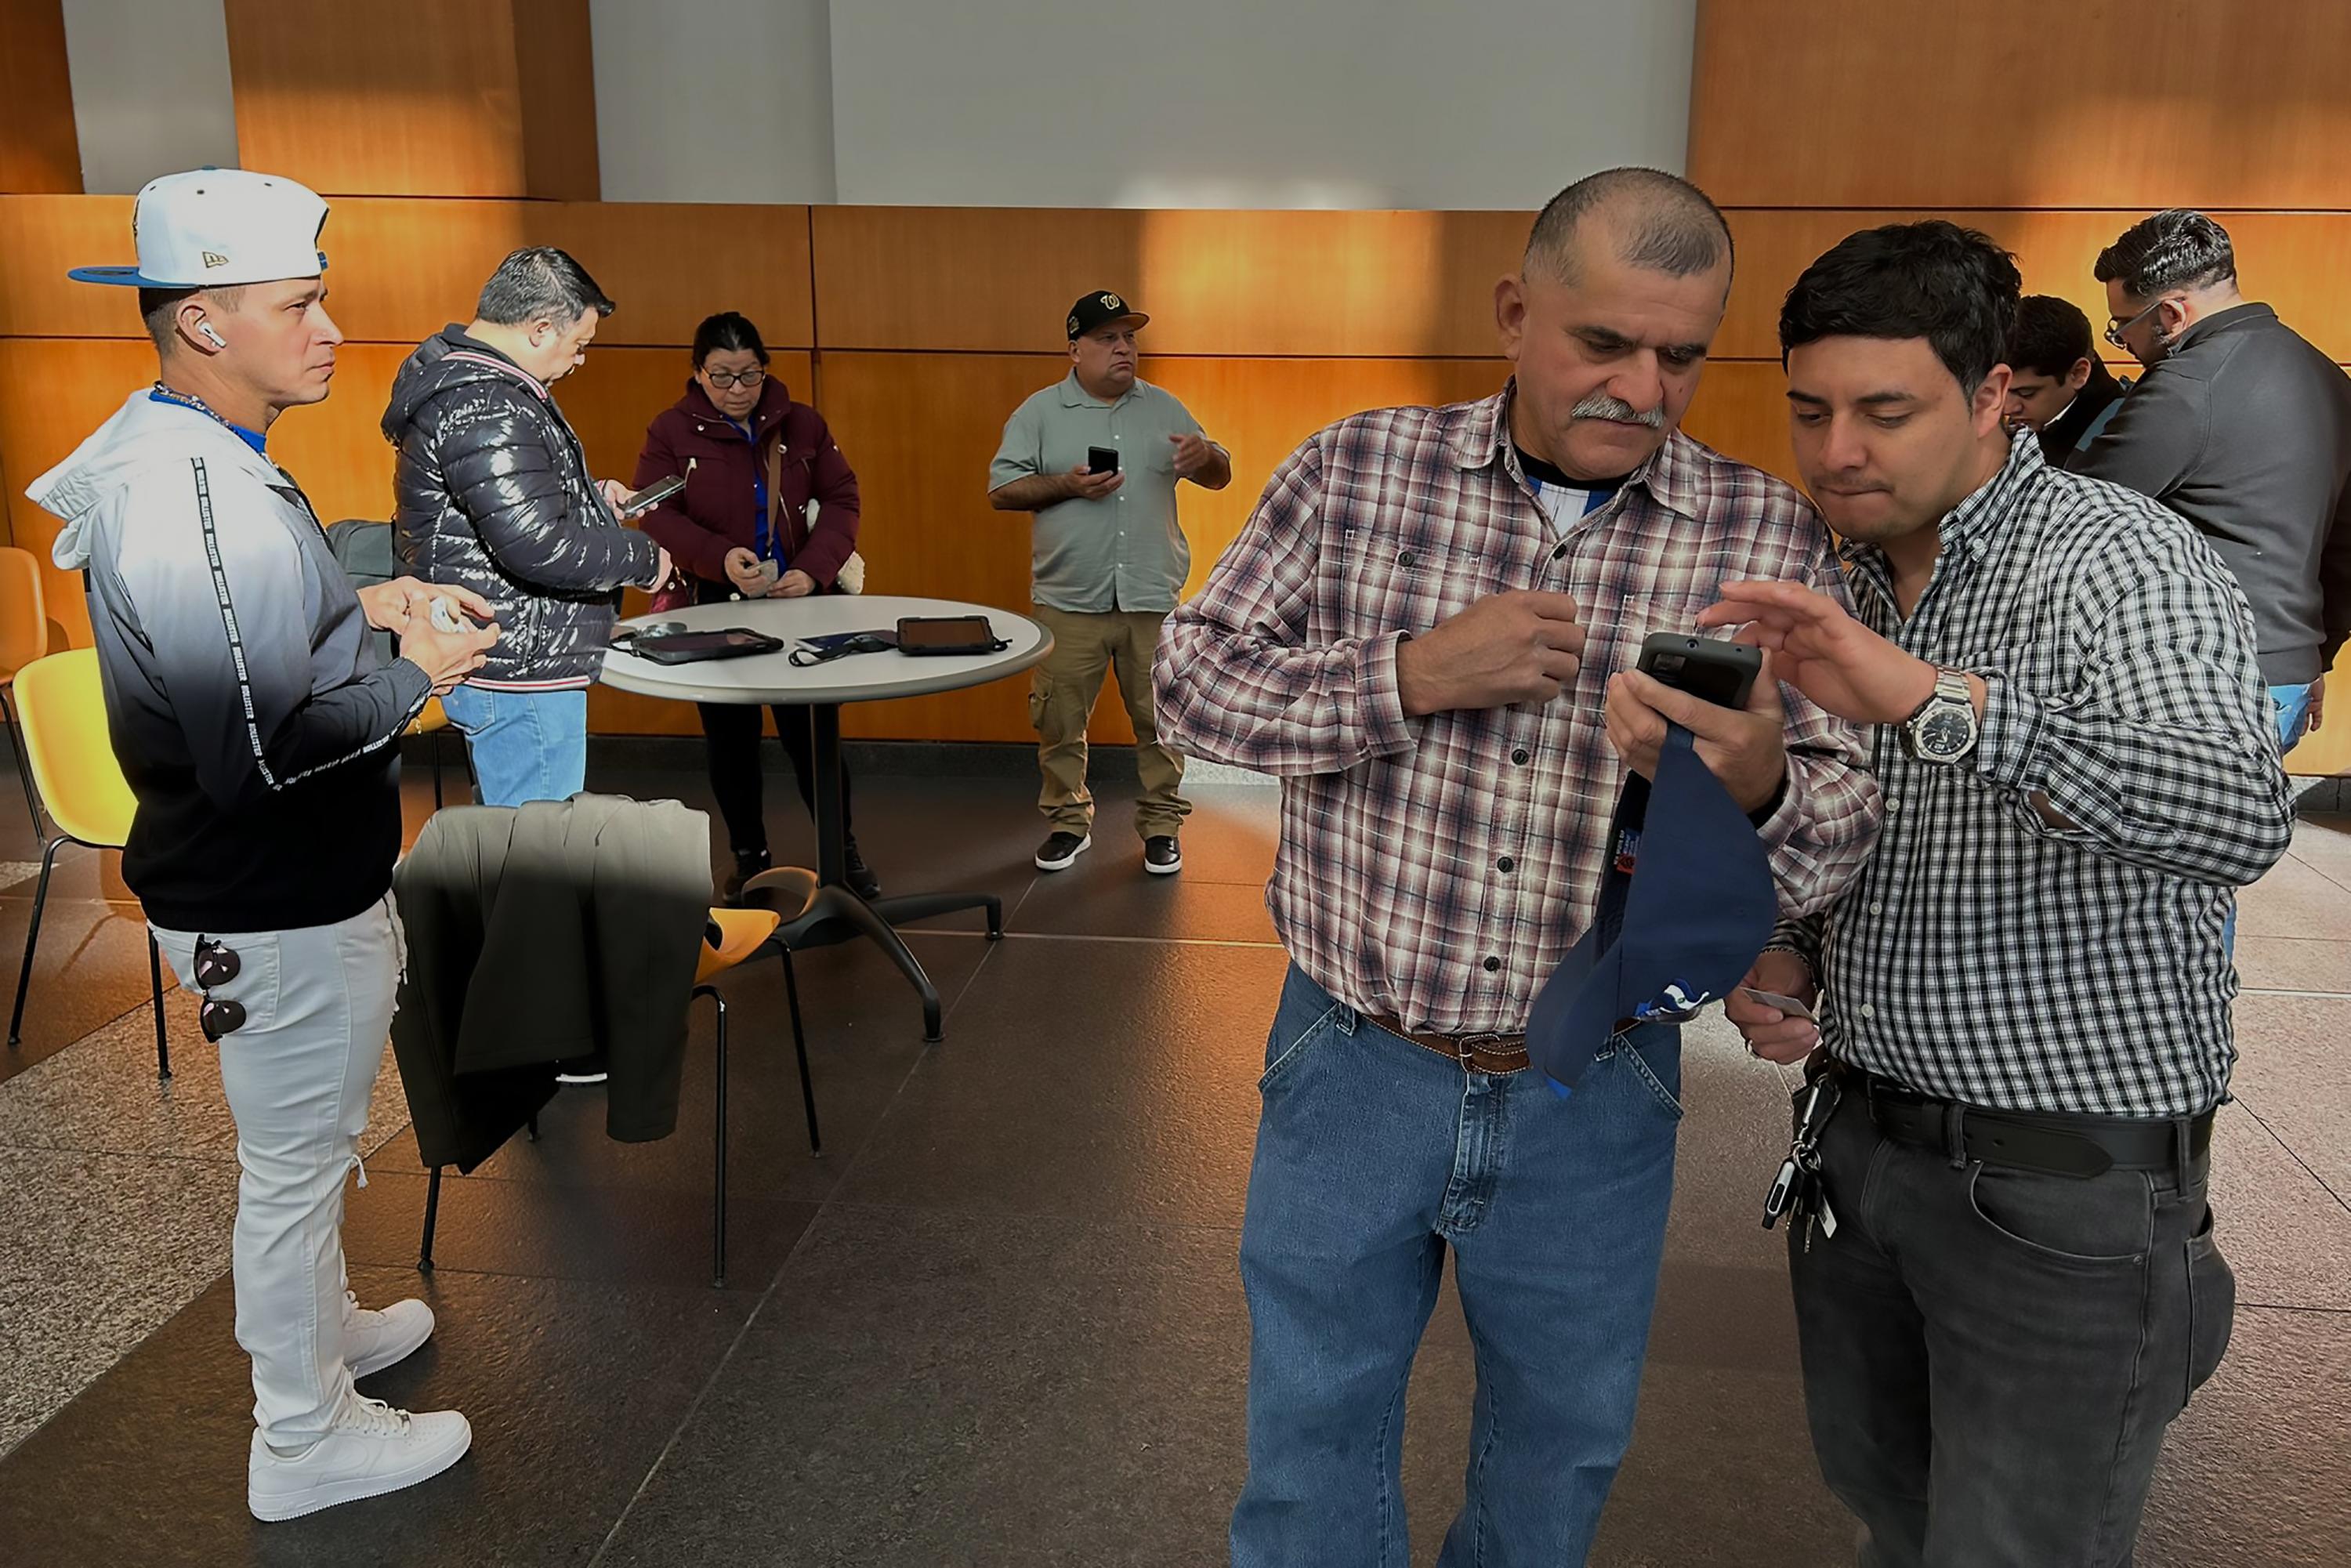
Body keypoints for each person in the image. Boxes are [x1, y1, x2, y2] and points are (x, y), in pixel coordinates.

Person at [1155, 168, 1882, 1566]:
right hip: (1353, 1052)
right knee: (1310, 1447)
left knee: (1560, 1452)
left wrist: (1754, 782)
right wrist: (1410, 673)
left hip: (1596, 1081)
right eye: (1602, 343)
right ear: (1513, 313)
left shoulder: (1764, 534)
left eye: (1679, 355)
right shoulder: (1355, 469)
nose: (1640, 385)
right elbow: (1192, 685)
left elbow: (1843, 826)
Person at [1712, 220, 2295, 1568]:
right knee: (1895, 1518)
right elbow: (1865, 826)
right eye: (1810, 409)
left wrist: (1938, 702)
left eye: (1884, 410)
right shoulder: (1840, 574)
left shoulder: (2118, 563)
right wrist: (1795, 946)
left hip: (2062, 1202)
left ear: (1993, 397)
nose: (1837, 449)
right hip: (1862, 1155)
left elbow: (2236, 814)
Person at [28, 168, 499, 1520]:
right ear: (206, 326)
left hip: (286, 892)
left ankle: (320, 1331)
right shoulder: (192, 494)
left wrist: (368, 601)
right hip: (270, 898)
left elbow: (254, 640)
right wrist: (419, 672)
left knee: (304, 1147)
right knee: (293, 1169)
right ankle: (302, 1437)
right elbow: (259, 743)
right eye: (300, 304)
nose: (332, 326)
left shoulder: (198, 456)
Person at [383, 247, 674, 807]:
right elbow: (538, 544)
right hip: (520, 666)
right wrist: (642, 557)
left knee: (516, 847)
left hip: (509, 653)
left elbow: (512, 512)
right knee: (536, 863)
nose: (580, 360)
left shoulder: (472, 388)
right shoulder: (485, 402)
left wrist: (592, 501)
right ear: (541, 329)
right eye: (579, 344)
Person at [2077, 208, 2351, 758]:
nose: (2122, 342)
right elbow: (2346, 549)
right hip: (2285, 682)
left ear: (2173, 313)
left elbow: (2072, 518)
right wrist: (2311, 656)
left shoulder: (2185, 387)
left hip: (2202, 684)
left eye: (2122, 325)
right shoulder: (2329, 378)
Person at [632, 311, 878, 900]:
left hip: (799, 602)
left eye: (750, 375)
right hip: (712, 602)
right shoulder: (671, 431)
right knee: (730, 738)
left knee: (813, 735)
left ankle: (840, 851)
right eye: (722, 376)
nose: (738, 390)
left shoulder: (803, 425)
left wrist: (810, 570)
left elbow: (841, 497)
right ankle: (749, 857)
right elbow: (654, 512)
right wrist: (718, 558)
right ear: (698, 373)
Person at [987, 290, 1230, 876]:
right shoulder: (1039, 413)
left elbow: (1220, 474)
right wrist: (1065, 485)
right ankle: (1069, 823)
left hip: (1152, 598)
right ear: (1075, 349)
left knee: (1159, 721)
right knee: (1059, 721)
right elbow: (1002, 491)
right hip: (1069, 601)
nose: (1124, 348)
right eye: (1108, 339)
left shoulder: (1165, 407)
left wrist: (1207, 455)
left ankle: (1162, 826)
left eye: (1130, 338)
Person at [2002, 293, 2125, 465]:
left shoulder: (2117, 441)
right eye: (1999, 389)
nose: (2007, 408)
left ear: (2078, 374)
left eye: (2026, 393)